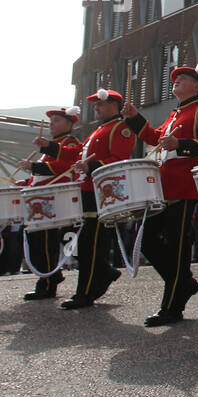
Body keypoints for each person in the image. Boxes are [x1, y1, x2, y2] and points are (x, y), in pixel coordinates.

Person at [122, 60, 198, 327]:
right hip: (163, 186)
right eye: (175, 78)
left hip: (183, 185)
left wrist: (181, 144)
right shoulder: (176, 112)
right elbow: (155, 137)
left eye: (183, 78)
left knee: (177, 247)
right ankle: (184, 282)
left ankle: (172, 307)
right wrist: (134, 117)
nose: (176, 80)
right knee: (148, 242)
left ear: (197, 85)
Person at [60, 89, 135, 309]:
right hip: (88, 188)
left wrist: (91, 165)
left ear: (114, 105)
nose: (96, 108)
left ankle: (86, 291)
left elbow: (119, 160)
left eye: (100, 104)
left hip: (102, 192)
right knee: (87, 243)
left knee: (90, 244)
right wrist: (49, 148)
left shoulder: (121, 128)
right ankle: (102, 274)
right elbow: (75, 154)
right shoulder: (100, 130)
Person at [15, 107, 83, 299]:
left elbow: (65, 167)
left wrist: (33, 166)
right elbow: (41, 177)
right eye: (51, 121)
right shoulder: (54, 145)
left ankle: (47, 282)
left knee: (45, 241)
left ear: (69, 123)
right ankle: (49, 278)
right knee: (39, 240)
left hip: (55, 200)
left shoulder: (69, 143)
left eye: (57, 120)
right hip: (45, 198)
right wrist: (27, 181)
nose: (52, 124)